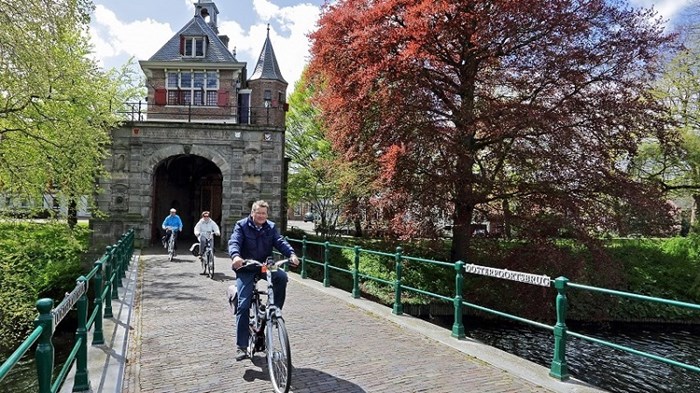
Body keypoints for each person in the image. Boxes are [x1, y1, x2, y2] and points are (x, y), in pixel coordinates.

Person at [228, 200, 299, 361]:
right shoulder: (241, 225)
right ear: (252, 213)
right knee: (244, 305)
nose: (261, 216)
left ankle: (274, 311)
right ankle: (242, 346)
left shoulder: (270, 227)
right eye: (258, 213)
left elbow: (280, 241)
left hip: (265, 265)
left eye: (264, 213)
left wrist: (291, 254)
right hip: (246, 266)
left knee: (281, 277)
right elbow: (234, 241)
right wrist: (236, 256)